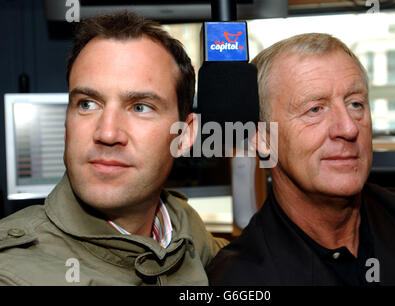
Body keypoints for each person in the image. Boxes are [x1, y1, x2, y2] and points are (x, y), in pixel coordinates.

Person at [0, 11, 227, 285]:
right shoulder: (13, 270)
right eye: (87, 104)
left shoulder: (185, 228)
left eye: (141, 107)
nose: (107, 133)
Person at [207, 33, 395, 286]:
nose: (348, 128)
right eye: (315, 109)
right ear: (262, 138)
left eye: (355, 104)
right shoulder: (238, 279)